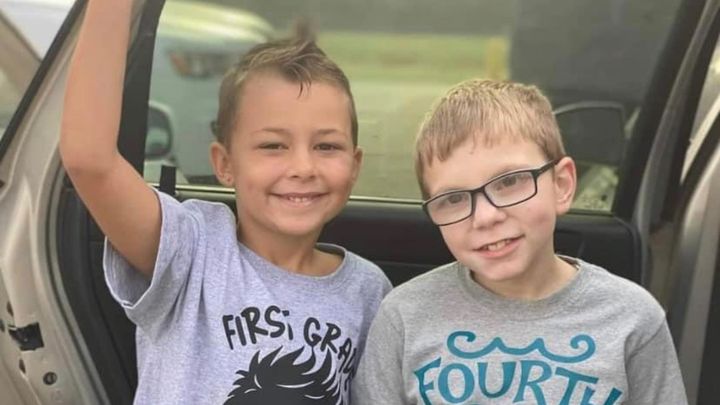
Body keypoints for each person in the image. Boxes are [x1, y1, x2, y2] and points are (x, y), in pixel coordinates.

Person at [60, 1, 391, 404]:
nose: (303, 167)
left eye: (326, 146)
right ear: (225, 164)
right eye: (273, 146)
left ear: (354, 165)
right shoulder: (192, 249)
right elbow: (89, 161)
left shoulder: (368, 290)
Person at [351, 79, 687, 404]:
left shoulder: (633, 319)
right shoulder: (404, 317)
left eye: (510, 182)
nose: (485, 217)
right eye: (453, 199)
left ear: (561, 185)